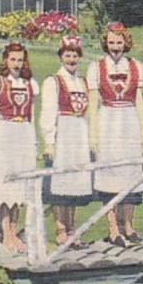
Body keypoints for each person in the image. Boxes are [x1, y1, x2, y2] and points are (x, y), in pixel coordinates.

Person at [87, 22, 143, 247]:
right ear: (106, 43)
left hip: (129, 121)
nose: (115, 47)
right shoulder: (96, 67)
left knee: (130, 173)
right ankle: (113, 228)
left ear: (125, 43)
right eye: (111, 42)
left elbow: (140, 101)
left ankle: (128, 225)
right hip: (107, 122)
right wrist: (93, 133)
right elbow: (93, 104)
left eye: (119, 42)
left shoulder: (136, 66)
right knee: (110, 173)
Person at [0, 43, 39, 253]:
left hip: (23, 133)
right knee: (5, 187)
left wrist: (34, 143)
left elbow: (31, 116)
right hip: (4, 134)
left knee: (20, 187)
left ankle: (14, 234)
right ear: (5, 60)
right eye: (13, 59)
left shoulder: (30, 84)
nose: (17, 64)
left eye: (20, 60)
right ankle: (5, 234)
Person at [39, 35, 92, 248]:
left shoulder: (82, 81)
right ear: (61, 56)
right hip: (63, 133)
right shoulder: (54, 81)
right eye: (67, 55)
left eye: (75, 55)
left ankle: (72, 227)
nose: (71, 59)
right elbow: (48, 113)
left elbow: (88, 113)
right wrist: (49, 141)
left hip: (79, 134)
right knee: (60, 182)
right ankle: (60, 228)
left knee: (75, 182)